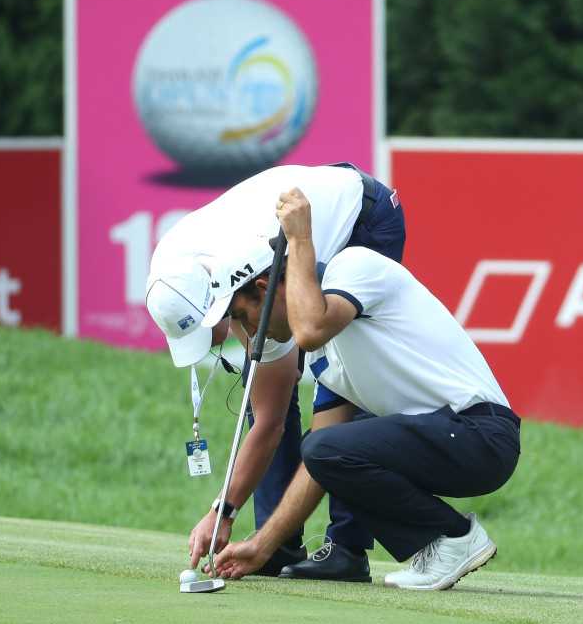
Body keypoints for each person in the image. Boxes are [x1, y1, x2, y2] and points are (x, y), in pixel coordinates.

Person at [205, 188, 520, 590]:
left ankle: (450, 538)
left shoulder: (353, 265)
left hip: (481, 435)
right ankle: (440, 543)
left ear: (265, 289)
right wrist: (264, 544)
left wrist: (300, 239)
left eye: (242, 316)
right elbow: (321, 462)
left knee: (327, 447)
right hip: (447, 440)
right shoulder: (329, 358)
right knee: (323, 450)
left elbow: (310, 328)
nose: (248, 334)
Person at [145, 163, 405, 581]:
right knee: (263, 390)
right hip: (293, 231)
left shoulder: (254, 274)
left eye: (221, 322)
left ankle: (347, 547)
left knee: (344, 383)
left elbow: (269, 424)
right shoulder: (173, 270)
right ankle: (278, 545)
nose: (215, 341)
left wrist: (222, 511)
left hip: (362, 220)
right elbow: (269, 412)